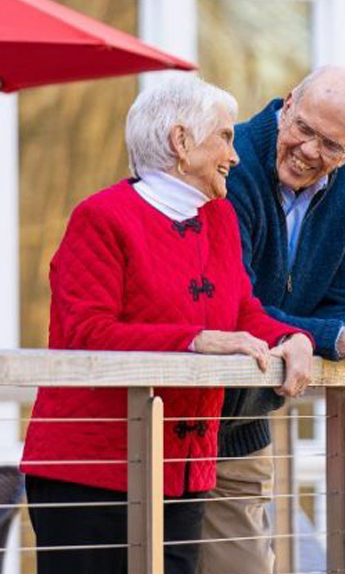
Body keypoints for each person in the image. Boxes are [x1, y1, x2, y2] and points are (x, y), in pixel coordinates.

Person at [19, 73, 314, 574]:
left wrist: (292, 337)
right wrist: (195, 341)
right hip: (91, 473)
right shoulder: (101, 218)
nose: (236, 155)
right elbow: (88, 333)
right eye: (224, 137)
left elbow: (242, 308)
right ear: (181, 142)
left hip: (184, 471)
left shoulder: (218, 217)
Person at [197, 66, 345, 574]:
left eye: (331, 145)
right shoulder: (227, 162)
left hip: (241, 429)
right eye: (303, 129)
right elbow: (235, 306)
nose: (309, 151)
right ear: (286, 105)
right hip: (171, 418)